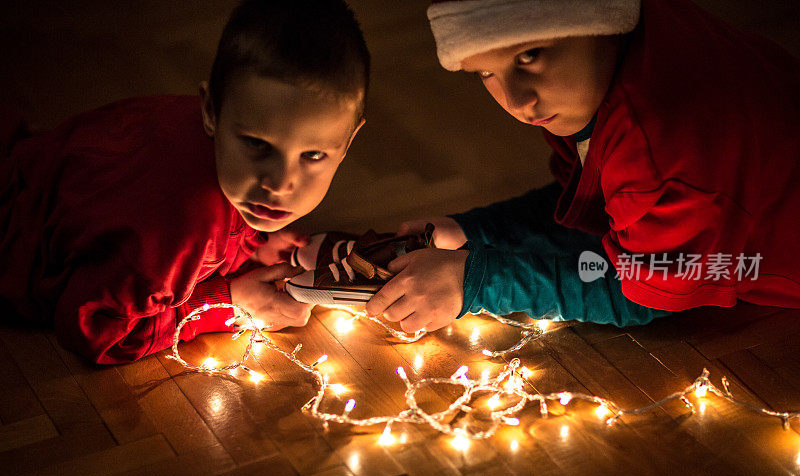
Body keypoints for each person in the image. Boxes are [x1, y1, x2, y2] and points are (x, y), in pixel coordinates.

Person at [365, 0, 800, 334]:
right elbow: (604, 208)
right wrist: (472, 229)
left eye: (530, 55)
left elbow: (645, 295)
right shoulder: (611, 65)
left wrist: (475, 282)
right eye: (485, 73)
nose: (517, 101)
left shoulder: (664, 141)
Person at [0, 0, 369, 364]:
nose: (279, 183)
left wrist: (252, 242)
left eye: (313, 155)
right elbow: (97, 331)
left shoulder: (236, 114)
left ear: (348, 143)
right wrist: (229, 300)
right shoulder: (178, 225)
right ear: (210, 111)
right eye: (258, 145)